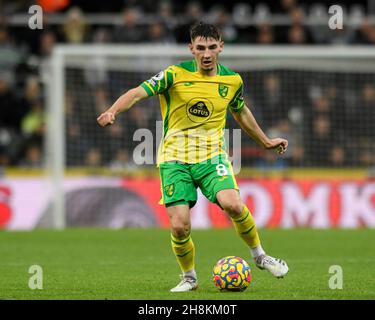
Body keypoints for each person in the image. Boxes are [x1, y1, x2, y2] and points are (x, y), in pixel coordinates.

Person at [97, 22, 289, 292]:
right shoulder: (174, 75)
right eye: (200, 48)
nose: (207, 53)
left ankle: (260, 256)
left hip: (212, 157)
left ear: (221, 46)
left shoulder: (232, 81)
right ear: (191, 49)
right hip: (175, 159)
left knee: (233, 204)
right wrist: (113, 111)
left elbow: (241, 112)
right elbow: (137, 93)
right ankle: (189, 277)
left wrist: (266, 141)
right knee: (179, 226)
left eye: (212, 47)